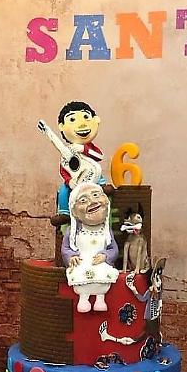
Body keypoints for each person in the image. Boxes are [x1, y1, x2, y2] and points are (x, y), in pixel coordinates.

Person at [62, 182, 119, 312]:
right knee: (81, 277)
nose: (92, 202)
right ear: (74, 211)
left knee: (102, 277)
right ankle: (83, 298)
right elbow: (65, 248)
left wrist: (105, 256)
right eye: (83, 200)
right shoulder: (73, 231)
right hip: (82, 262)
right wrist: (71, 257)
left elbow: (113, 249)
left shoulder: (106, 231)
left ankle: (100, 298)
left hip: (99, 263)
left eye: (95, 195)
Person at [56, 101, 107, 219]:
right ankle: (64, 213)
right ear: (62, 126)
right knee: (63, 191)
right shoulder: (67, 151)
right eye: (72, 119)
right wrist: (69, 181)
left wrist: (84, 149)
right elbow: (64, 169)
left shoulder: (89, 147)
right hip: (76, 180)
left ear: (96, 120)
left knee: (102, 189)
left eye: (86, 117)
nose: (81, 124)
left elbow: (99, 156)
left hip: (94, 177)